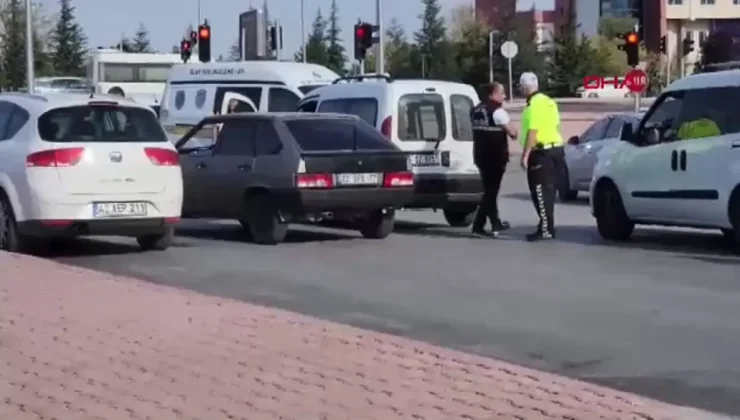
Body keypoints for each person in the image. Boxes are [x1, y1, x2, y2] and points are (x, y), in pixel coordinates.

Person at [518, 72, 564, 242]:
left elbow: (533, 130)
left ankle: (546, 228)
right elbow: (555, 124)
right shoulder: (549, 102)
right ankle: (546, 226)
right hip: (556, 150)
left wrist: (525, 155)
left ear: (524, 87)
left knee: (539, 192)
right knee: (549, 192)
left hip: (541, 152)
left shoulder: (534, 104)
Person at [469, 83, 518, 238]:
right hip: (495, 156)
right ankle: (481, 225)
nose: (504, 96)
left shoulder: (475, 110)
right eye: (502, 93)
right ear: (492, 95)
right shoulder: (498, 112)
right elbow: (513, 132)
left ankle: (492, 222)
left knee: (490, 190)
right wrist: (513, 131)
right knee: (491, 192)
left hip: (480, 155)